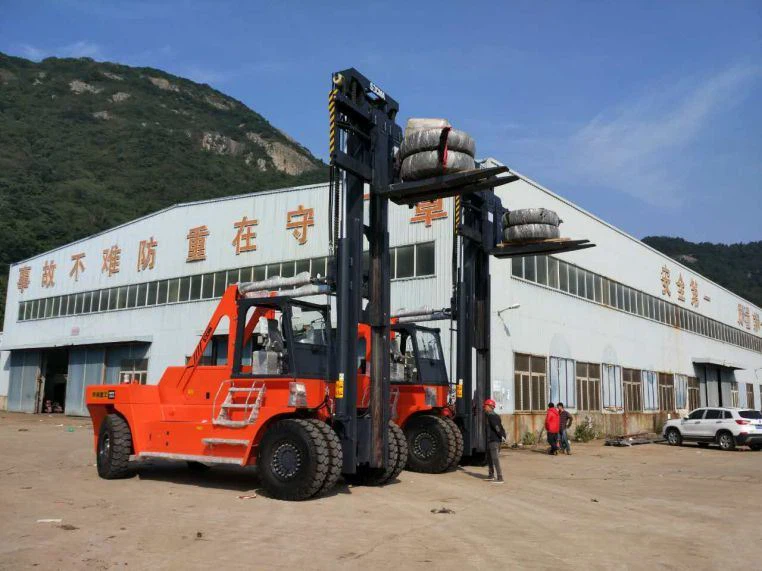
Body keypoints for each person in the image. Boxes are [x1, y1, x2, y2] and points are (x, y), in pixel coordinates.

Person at [484, 398, 506, 483]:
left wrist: (501, 435)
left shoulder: (492, 416)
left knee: (495, 459)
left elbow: (497, 427)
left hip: (494, 440)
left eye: (485, 406)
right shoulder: (490, 416)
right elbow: (500, 426)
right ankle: (491, 475)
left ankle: (500, 478)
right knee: (489, 458)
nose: (484, 407)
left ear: (490, 407)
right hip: (490, 440)